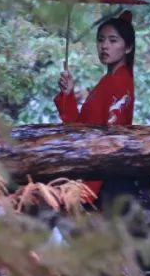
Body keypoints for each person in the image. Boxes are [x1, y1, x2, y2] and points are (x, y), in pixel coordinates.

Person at [55, 11, 136, 202]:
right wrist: (68, 94)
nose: (104, 46)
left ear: (128, 47)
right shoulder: (108, 81)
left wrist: (86, 190)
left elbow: (110, 141)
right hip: (90, 169)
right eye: (101, 40)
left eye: (113, 40)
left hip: (101, 180)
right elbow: (79, 127)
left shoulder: (119, 83)